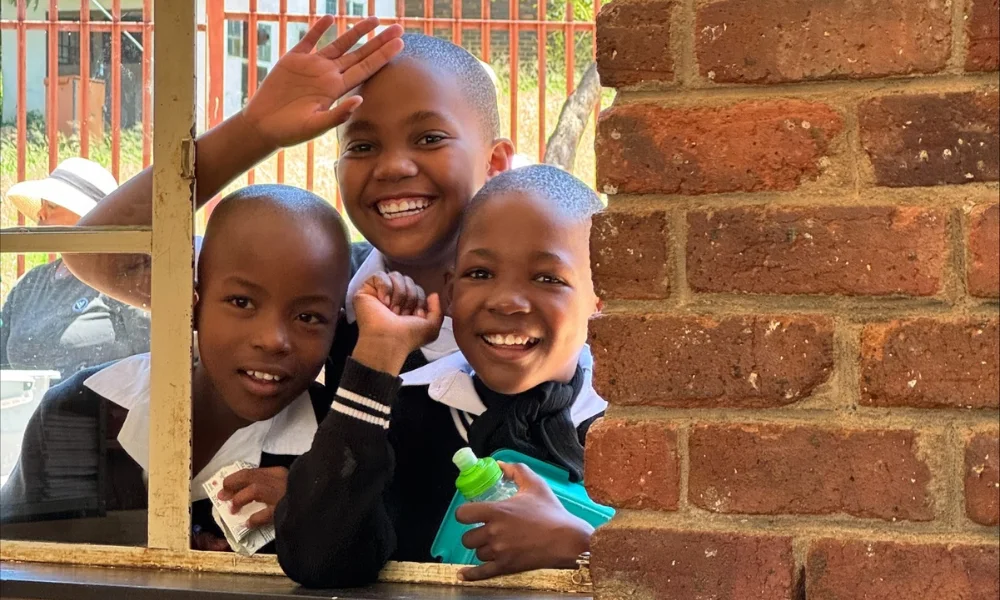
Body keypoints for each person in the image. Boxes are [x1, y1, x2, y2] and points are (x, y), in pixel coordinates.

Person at [273, 165, 607, 587]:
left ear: (600, 299)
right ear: (450, 291)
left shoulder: (625, 428)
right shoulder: (404, 410)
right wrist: (376, 358)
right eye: (480, 274)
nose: (506, 302)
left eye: (547, 278)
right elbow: (316, 560)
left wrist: (585, 547)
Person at [1, 184, 352, 554]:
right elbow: (18, 559)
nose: (273, 340)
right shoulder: (80, 411)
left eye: (308, 317)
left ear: (336, 327)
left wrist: (315, 518)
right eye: (241, 301)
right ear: (193, 301)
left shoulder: (337, 451)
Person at [1, 158, 150, 378]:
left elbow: (156, 362)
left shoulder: (121, 283)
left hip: (99, 412)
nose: (41, 214)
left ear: (88, 217)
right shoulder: (30, 284)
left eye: (50, 205)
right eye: (42, 204)